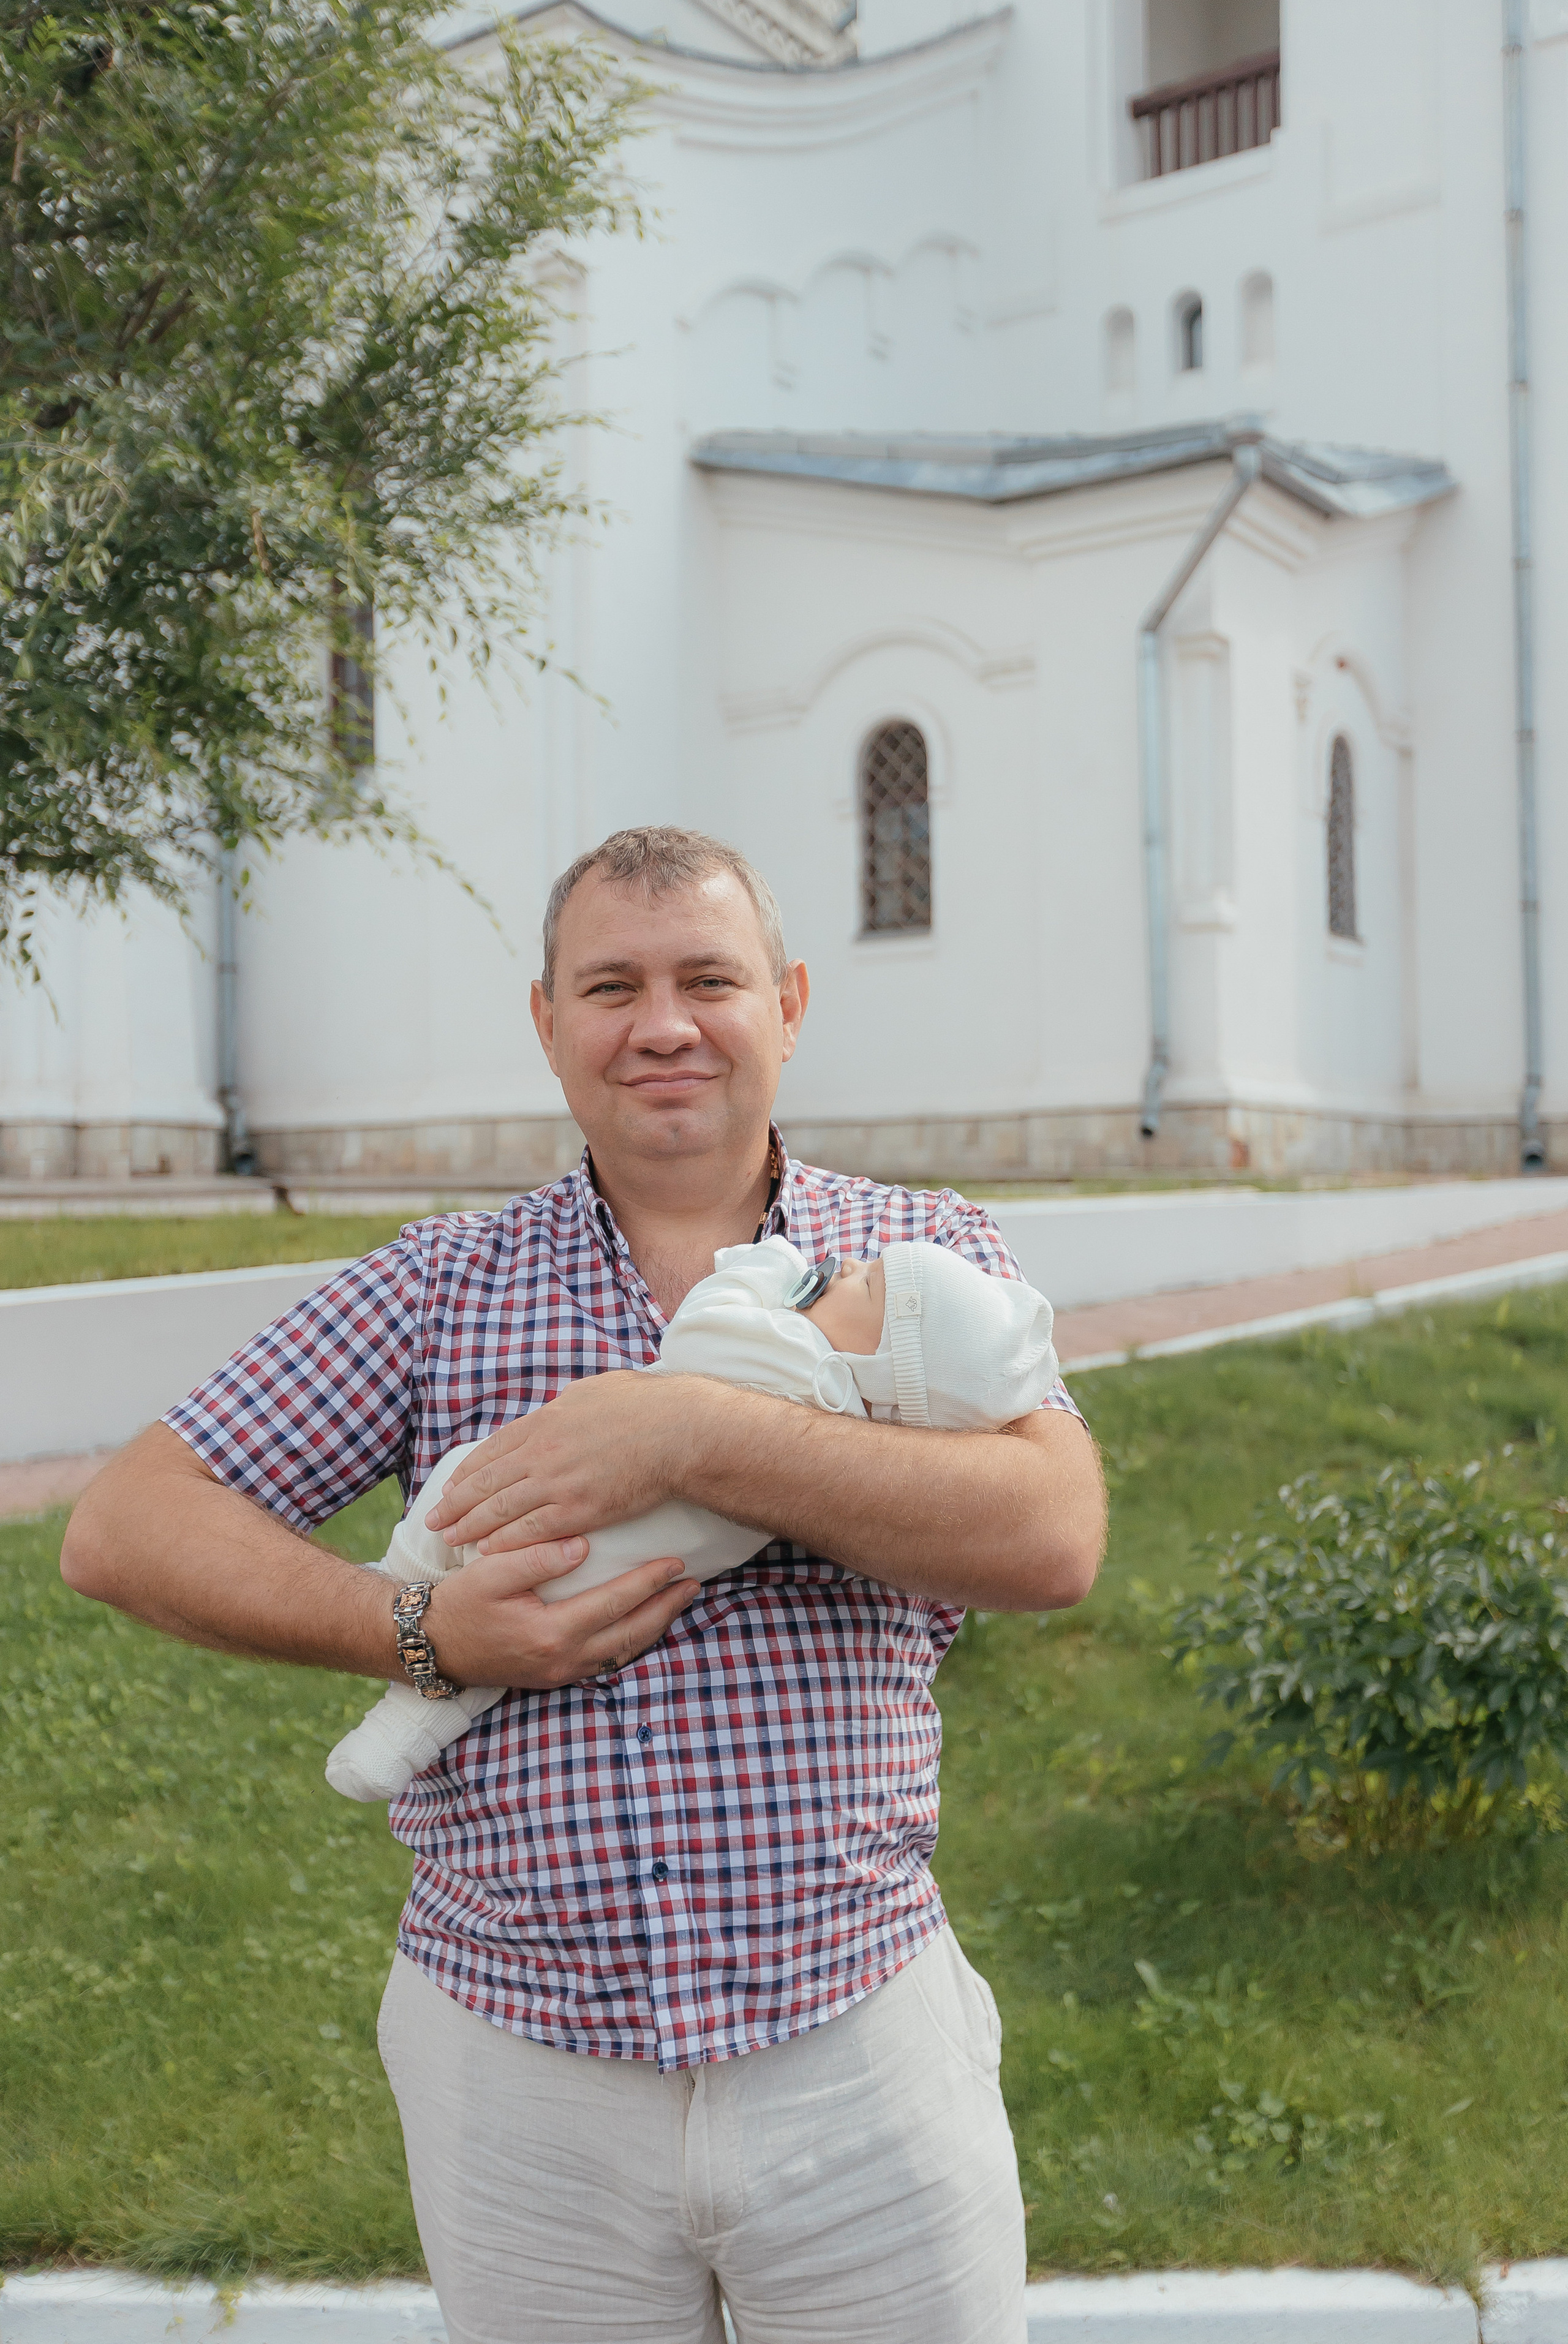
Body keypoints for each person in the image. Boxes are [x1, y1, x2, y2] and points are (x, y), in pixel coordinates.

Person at [61, 826, 1105, 2344]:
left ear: (789, 1002)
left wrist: (695, 1429)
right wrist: (413, 1628)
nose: (662, 1022)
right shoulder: (436, 1286)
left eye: (708, 978)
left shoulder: (921, 1252)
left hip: (858, 2046)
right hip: (518, 2074)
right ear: (547, 1023)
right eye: (609, 984)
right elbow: (126, 1522)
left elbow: (1049, 1532)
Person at [326, 1234, 1062, 1801]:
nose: (841, 1267)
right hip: (610, 1580)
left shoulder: (797, 1357)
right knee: (490, 1650)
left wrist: (762, 1269)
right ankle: (400, 1728)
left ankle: (400, 1586)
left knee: (461, 1490)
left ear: (879, 1363)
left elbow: (700, 1330)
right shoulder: (869, 1427)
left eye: (863, 1285)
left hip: (546, 1525)